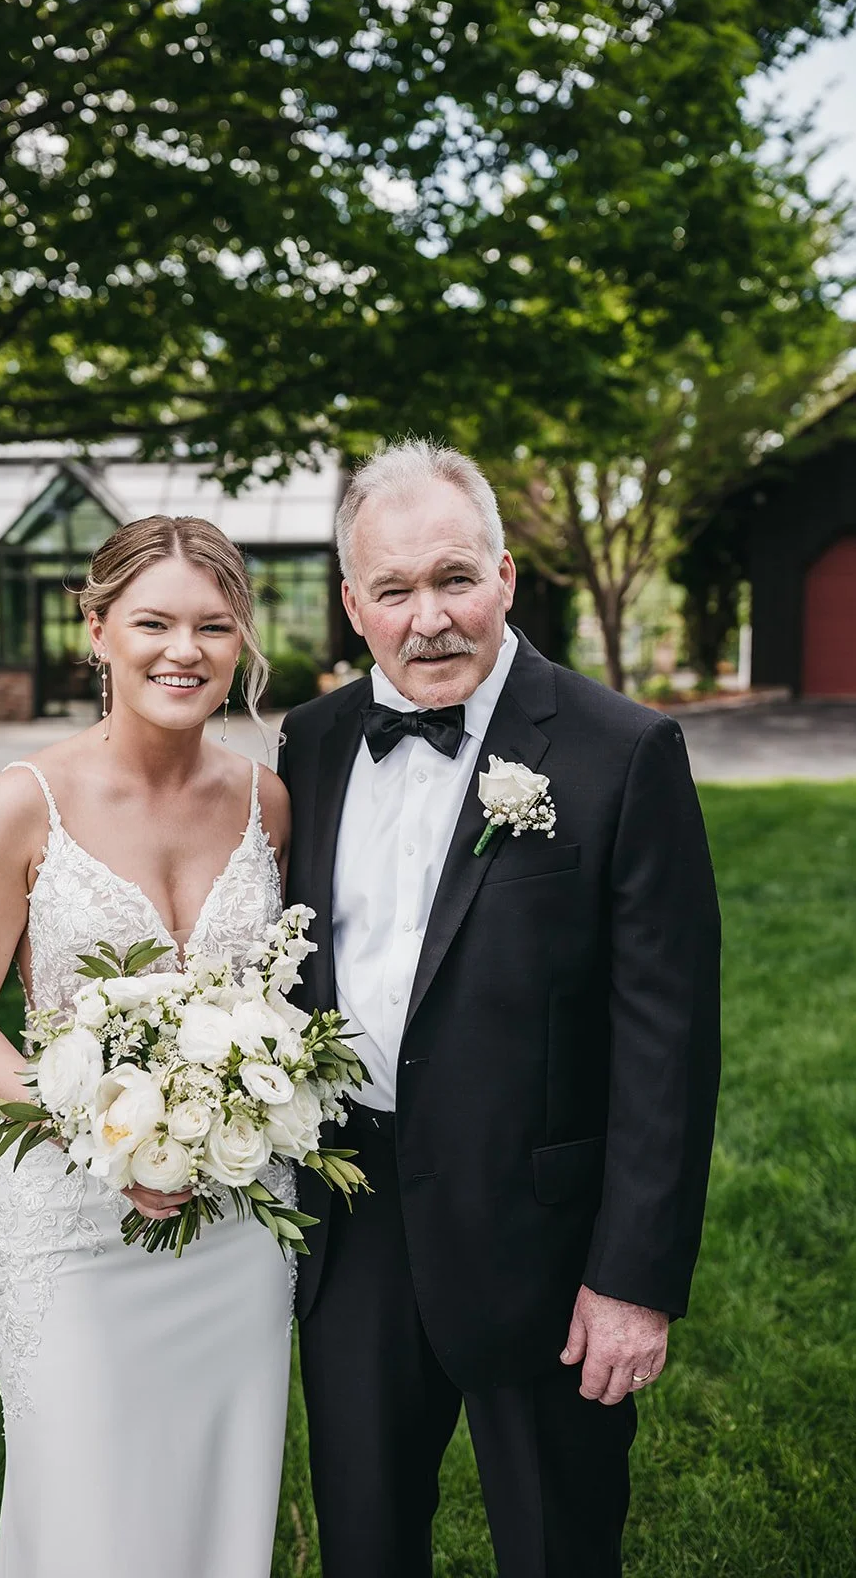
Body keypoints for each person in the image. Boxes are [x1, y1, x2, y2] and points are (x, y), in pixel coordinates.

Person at [279, 438, 721, 1578]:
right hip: (354, 1222)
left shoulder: (622, 753)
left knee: (556, 1547)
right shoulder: (308, 747)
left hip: (545, 1233)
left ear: (505, 577)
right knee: (365, 1547)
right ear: (350, 604)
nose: (428, 618)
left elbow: (667, 1043)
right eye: (393, 590)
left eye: (453, 578)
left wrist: (631, 1277)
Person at [0, 516, 293, 1578]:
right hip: (69, 1222)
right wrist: (103, 1132)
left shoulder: (266, 803)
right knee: (83, 1513)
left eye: (214, 626)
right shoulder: (19, 806)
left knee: (216, 1503)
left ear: (241, 640)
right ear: (95, 629)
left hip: (235, 1224)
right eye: (154, 622)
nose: (185, 649)